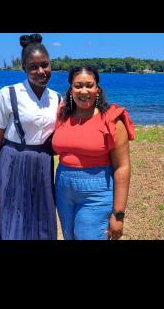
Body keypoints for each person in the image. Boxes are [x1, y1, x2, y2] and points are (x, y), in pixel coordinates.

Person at [0, 33, 61, 240]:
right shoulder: (8, 94)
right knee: (10, 224)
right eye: (33, 67)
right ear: (24, 68)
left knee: (40, 226)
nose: (41, 71)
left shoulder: (57, 98)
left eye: (45, 64)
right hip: (13, 163)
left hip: (42, 166)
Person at [52, 66, 135, 240]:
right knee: (69, 237)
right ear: (71, 89)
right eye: (78, 85)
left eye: (89, 85)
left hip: (97, 191)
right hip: (63, 189)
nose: (84, 91)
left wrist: (118, 214)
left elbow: (122, 167)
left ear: (97, 88)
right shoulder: (62, 114)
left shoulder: (111, 119)